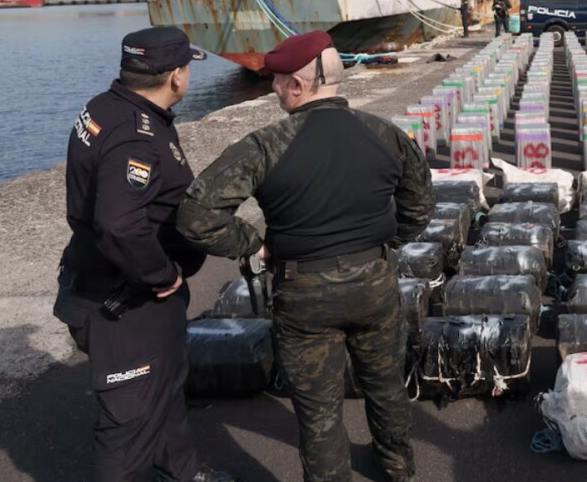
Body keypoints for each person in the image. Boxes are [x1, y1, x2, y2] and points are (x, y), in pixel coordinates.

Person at [177, 31, 432, 482]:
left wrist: (253, 243)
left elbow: (196, 215)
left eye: (277, 81)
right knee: (385, 383)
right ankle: (397, 466)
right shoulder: (385, 134)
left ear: (298, 85)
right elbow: (419, 205)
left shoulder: (266, 145)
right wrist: (386, 243)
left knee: (318, 409)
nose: (273, 88)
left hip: (303, 292)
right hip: (374, 281)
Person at [53, 26, 234, 482]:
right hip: (127, 301)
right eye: (187, 68)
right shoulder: (137, 137)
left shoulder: (104, 106)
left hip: (121, 288)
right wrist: (161, 275)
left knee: (165, 390)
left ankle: (182, 472)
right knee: (128, 422)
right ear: (175, 77)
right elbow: (118, 223)